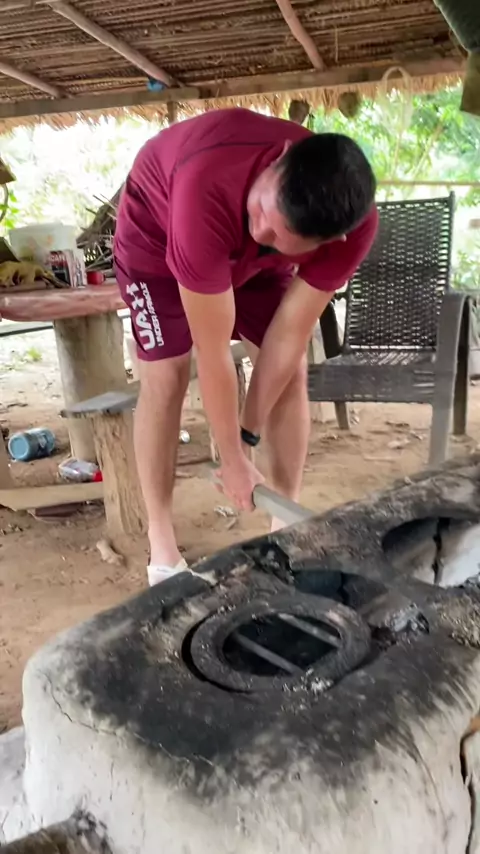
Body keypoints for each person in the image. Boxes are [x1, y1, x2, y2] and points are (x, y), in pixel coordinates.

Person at [114, 107, 378, 587]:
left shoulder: (351, 231)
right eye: (262, 213)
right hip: (158, 236)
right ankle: (162, 545)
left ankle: (284, 528)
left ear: (331, 240)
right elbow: (212, 351)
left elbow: (288, 336)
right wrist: (233, 458)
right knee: (167, 375)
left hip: (255, 263)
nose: (261, 232)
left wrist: (248, 434)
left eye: (280, 236)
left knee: (291, 371)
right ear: (278, 161)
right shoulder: (205, 185)